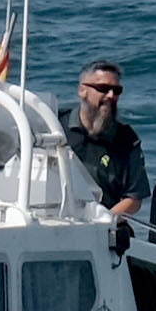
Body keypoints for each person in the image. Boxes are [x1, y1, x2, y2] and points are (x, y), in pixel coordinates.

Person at [60, 61, 148, 218]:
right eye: (103, 89)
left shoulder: (127, 140)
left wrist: (101, 221)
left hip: (104, 224)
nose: (111, 95)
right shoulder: (55, 125)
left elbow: (133, 199)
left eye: (116, 90)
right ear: (82, 90)